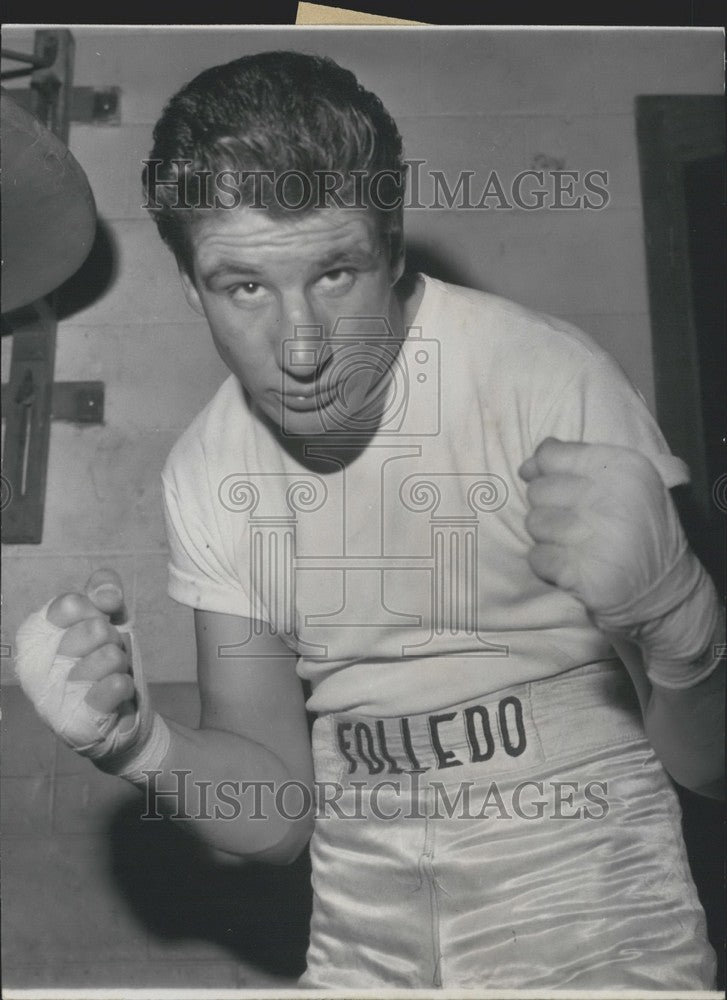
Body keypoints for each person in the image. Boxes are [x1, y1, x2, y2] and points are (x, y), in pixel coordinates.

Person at [14, 51, 724, 989]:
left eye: (335, 274)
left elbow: (710, 771)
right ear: (192, 289)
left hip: (595, 925)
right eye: (246, 288)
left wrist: (684, 625)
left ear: (390, 253)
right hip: (366, 949)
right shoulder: (208, 469)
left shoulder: (546, 378)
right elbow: (277, 813)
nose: (301, 350)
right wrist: (136, 743)